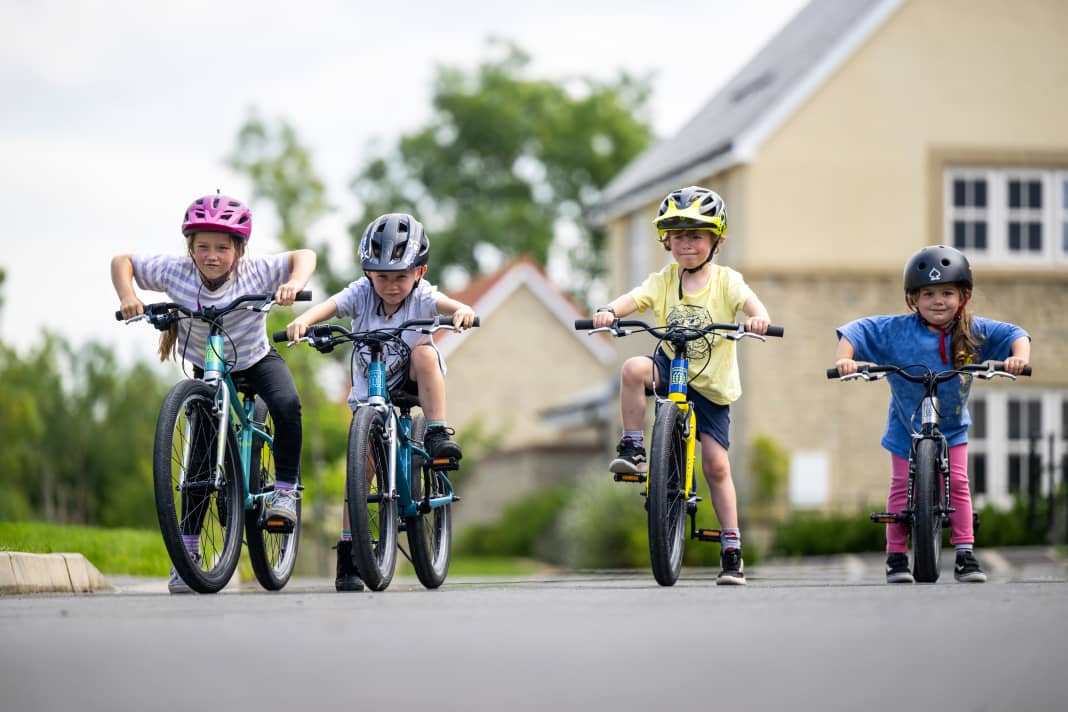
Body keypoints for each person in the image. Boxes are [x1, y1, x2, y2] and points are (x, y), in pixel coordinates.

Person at [111, 192, 316, 593]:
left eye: (223, 247)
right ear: (190, 247)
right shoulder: (176, 271)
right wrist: (128, 295)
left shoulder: (255, 271)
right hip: (208, 367)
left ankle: (285, 492)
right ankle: (187, 554)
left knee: (287, 404)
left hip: (255, 360)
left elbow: (303, 255)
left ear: (240, 249)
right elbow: (124, 262)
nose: (212, 255)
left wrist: (294, 283)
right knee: (199, 461)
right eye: (202, 246)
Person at [285, 212, 476, 592]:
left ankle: (436, 433)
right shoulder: (361, 292)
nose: (391, 285)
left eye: (400, 276)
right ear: (369, 273)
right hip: (370, 394)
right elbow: (333, 306)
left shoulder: (422, 296)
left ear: (419, 273)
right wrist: (304, 321)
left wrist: (462, 312)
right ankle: (350, 552)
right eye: (383, 276)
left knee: (424, 352)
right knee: (360, 471)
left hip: (409, 381)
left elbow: (447, 304)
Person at [589, 186, 771, 585]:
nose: (686, 244)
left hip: (711, 387)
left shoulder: (726, 281)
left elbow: (751, 304)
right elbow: (634, 300)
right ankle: (635, 446)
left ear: (715, 239)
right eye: (678, 235)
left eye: (696, 235)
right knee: (634, 368)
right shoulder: (664, 280)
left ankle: (731, 546)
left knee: (717, 466)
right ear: (666, 240)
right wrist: (608, 311)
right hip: (670, 366)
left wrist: (758, 319)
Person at [834, 244, 1030, 584]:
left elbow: (1016, 334)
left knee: (958, 482)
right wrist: (845, 359)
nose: (938, 301)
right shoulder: (896, 330)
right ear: (913, 299)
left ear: (963, 296)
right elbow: (855, 331)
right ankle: (896, 555)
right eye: (928, 294)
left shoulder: (973, 331)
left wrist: (1018, 358)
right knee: (899, 485)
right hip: (903, 425)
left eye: (947, 293)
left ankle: (965, 554)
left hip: (953, 427)